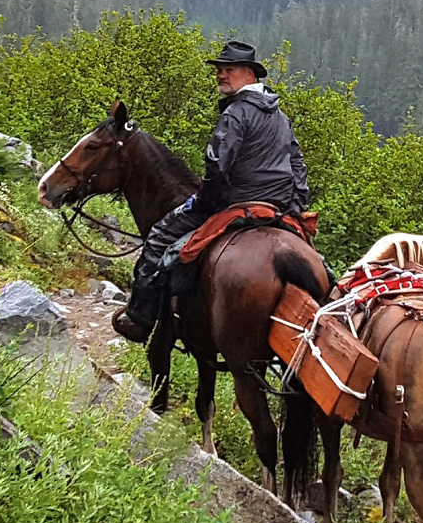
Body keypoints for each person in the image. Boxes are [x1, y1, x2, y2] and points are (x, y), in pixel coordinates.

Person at [115, 40, 309, 341]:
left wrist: (205, 203)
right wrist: (295, 207)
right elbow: (298, 166)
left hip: (239, 202)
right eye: (219, 70)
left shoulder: (236, 114)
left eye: (228, 70)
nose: (221, 75)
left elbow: (217, 166)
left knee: (158, 238)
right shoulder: (280, 118)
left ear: (249, 74)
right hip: (279, 208)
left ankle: (139, 319)